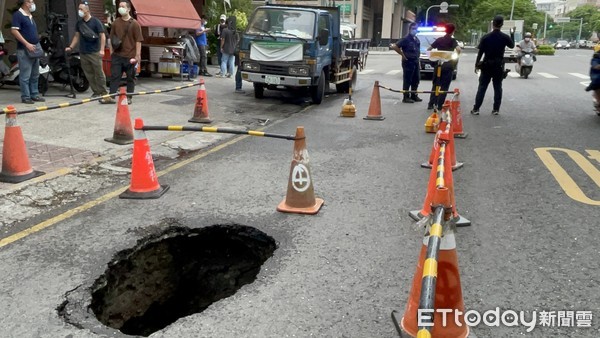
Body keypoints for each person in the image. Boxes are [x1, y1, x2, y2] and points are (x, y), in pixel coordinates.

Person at [65, 1, 109, 102]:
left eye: (81, 9)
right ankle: (96, 92)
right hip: (83, 52)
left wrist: (102, 49)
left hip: (94, 52)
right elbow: (77, 36)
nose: (79, 11)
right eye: (79, 9)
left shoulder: (96, 22)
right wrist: (71, 47)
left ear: (87, 10)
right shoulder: (79, 23)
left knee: (99, 73)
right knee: (88, 73)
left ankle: (103, 92)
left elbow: (102, 36)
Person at [471, 15, 514, 116]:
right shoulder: (504, 37)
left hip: (486, 65)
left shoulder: (486, 37)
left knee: (482, 87)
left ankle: (476, 109)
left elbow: (480, 52)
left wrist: (477, 64)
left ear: (493, 23)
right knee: (498, 87)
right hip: (498, 65)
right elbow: (512, 45)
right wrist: (512, 33)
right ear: (502, 24)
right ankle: (496, 109)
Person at [107, 0, 143, 105]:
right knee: (115, 76)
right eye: (119, 6)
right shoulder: (115, 23)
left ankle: (129, 97)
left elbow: (138, 41)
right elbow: (111, 38)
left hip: (130, 56)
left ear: (128, 9)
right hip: (117, 55)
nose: (120, 8)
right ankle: (112, 95)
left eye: (123, 6)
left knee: (130, 78)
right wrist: (111, 52)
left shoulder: (135, 24)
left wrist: (137, 55)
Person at [11, 0, 45, 104]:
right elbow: (14, 30)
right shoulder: (18, 15)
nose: (33, 4)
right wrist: (27, 44)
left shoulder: (30, 15)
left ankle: (34, 94)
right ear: (26, 3)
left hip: (35, 49)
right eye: (31, 1)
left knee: (35, 74)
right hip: (24, 50)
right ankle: (26, 96)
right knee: (25, 75)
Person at [426, 23, 461, 111]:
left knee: (435, 84)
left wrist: (433, 59)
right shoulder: (453, 41)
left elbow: (428, 49)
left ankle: (431, 103)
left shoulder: (439, 40)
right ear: (453, 31)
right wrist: (455, 58)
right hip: (448, 66)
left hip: (438, 65)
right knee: (444, 86)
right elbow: (458, 49)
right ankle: (440, 105)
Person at [390, 23, 422, 103]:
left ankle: (414, 95)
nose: (415, 30)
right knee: (408, 79)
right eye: (413, 28)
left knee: (416, 79)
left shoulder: (416, 39)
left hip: (415, 61)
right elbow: (395, 46)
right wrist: (402, 54)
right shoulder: (406, 39)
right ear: (410, 29)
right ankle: (406, 97)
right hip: (408, 62)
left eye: (416, 28)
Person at [585, 44, 600, 114]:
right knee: (597, 83)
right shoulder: (597, 55)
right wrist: (597, 66)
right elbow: (595, 65)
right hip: (597, 75)